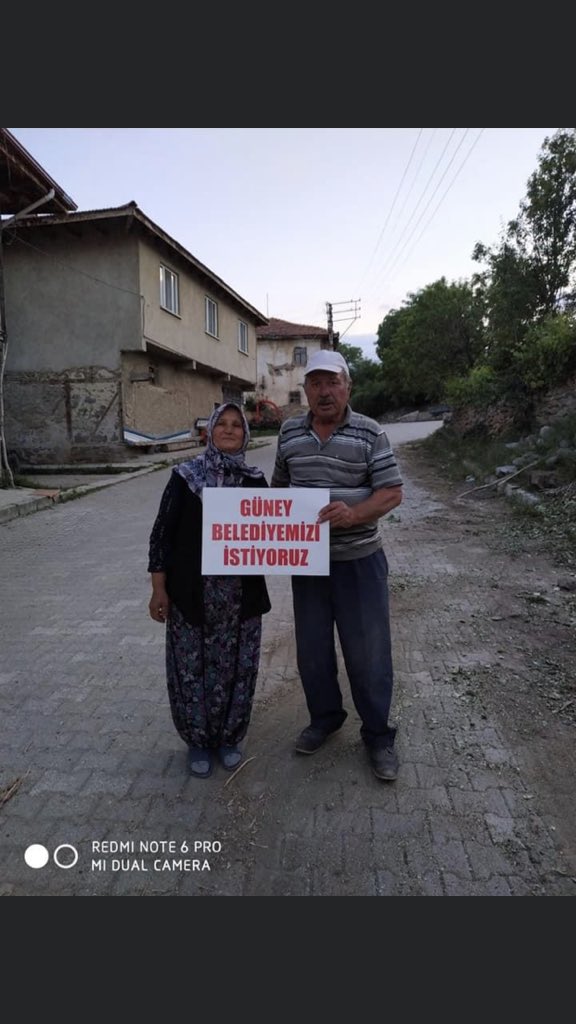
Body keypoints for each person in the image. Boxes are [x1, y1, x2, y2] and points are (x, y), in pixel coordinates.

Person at [271, 349, 403, 781]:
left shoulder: (369, 432)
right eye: (316, 383)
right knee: (311, 651)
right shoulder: (289, 434)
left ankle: (379, 736)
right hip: (307, 563)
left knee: (367, 653)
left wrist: (354, 513)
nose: (324, 391)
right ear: (306, 389)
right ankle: (326, 718)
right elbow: (278, 493)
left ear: (348, 386)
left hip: (359, 561)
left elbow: (391, 492)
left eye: (333, 382)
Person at [148, 403, 271, 778]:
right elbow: (161, 537)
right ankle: (198, 742)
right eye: (223, 424)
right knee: (191, 670)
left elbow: (272, 534)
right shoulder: (185, 478)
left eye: (238, 425)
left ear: (246, 435)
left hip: (240, 600)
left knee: (238, 669)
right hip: (191, 597)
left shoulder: (253, 481)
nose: (230, 430)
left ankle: (229, 739)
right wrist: (159, 590)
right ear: (210, 432)